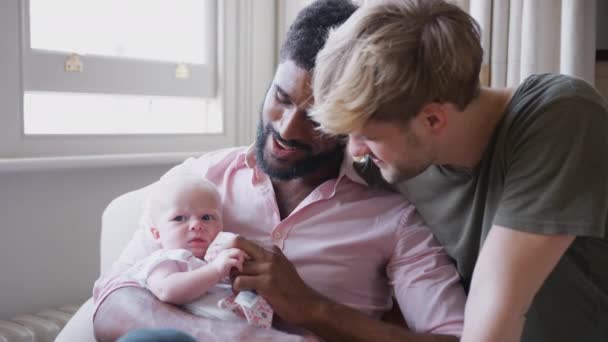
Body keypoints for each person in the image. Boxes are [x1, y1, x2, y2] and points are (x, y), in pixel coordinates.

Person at [92, 0, 467, 341]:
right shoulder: (198, 181)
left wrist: (311, 308)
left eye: (316, 119)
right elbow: (112, 301)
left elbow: (454, 338)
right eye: (280, 98)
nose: (287, 129)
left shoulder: (394, 220)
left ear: (355, 120)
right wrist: (230, 337)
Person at [310, 0, 608, 341]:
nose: (355, 151)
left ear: (432, 119)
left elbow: (498, 302)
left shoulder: (561, 115)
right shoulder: (398, 153)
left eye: (367, 136)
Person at [121, 175, 272, 328]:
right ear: (157, 234)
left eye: (206, 217)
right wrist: (215, 270)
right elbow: (165, 290)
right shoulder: (168, 258)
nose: (196, 225)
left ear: (220, 226)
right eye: (179, 218)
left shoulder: (222, 256)